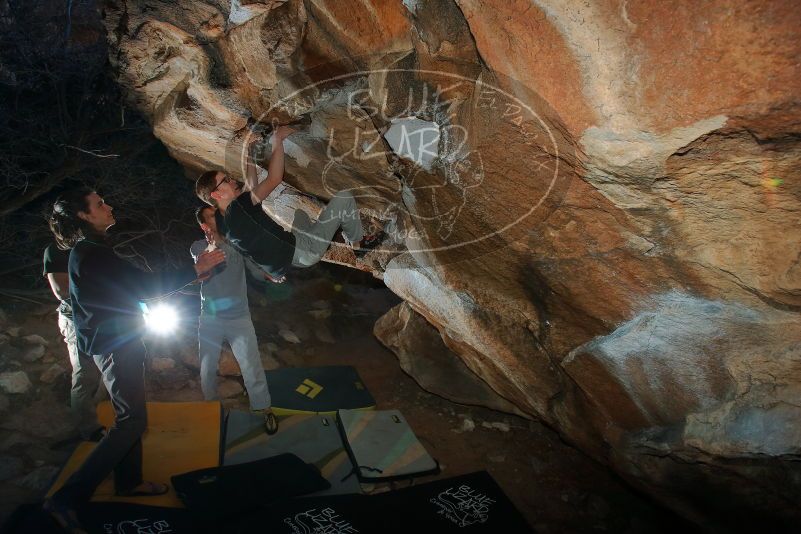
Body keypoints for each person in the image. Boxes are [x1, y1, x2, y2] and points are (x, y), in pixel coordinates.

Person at [43, 187, 225, 533]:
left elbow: (128, 289)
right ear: (83, 215)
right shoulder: (91, 253)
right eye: (99, 204)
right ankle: (67, 497)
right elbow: (140, 284)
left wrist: (193, 274)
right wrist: (193, 269)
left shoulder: (92, 250)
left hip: (116, 339)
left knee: (131, 415)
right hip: (114, 345)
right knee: (132, 420)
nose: (108, 206)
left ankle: (129, 481)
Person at [194, 126, 382, 282]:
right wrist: (278, 140)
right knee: (344, 197)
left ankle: (330, 233)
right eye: (226, 180)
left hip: (291, 258)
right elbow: (275, 178)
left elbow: (250, 189)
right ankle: (358, 245)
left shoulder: (225, 220)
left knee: (301, 215)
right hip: (305, 250)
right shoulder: (239, 208)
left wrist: (250, 158)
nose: (232, 181)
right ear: (216, 194)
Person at [191, 205, 278, 434]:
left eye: (217, 214)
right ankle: (211, 406)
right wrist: (213, 243)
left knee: (251, 364)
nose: (218, 217)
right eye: (212, 216)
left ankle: (263, 408)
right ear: (204, 224)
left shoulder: (237, 245)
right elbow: (204, 266)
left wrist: (270, 274)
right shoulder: (198, 247)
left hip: (240, 317)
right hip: (210, 318)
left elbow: (255, 268)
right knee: (207, 366)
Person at [42, 241, 105, 442]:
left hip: (102, 317)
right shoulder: (56, 251)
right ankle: (89, 429)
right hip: (75, 318)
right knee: (85, 374)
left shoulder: (94, 246)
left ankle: (103, 413)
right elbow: (61, 290)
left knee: (109, 370)